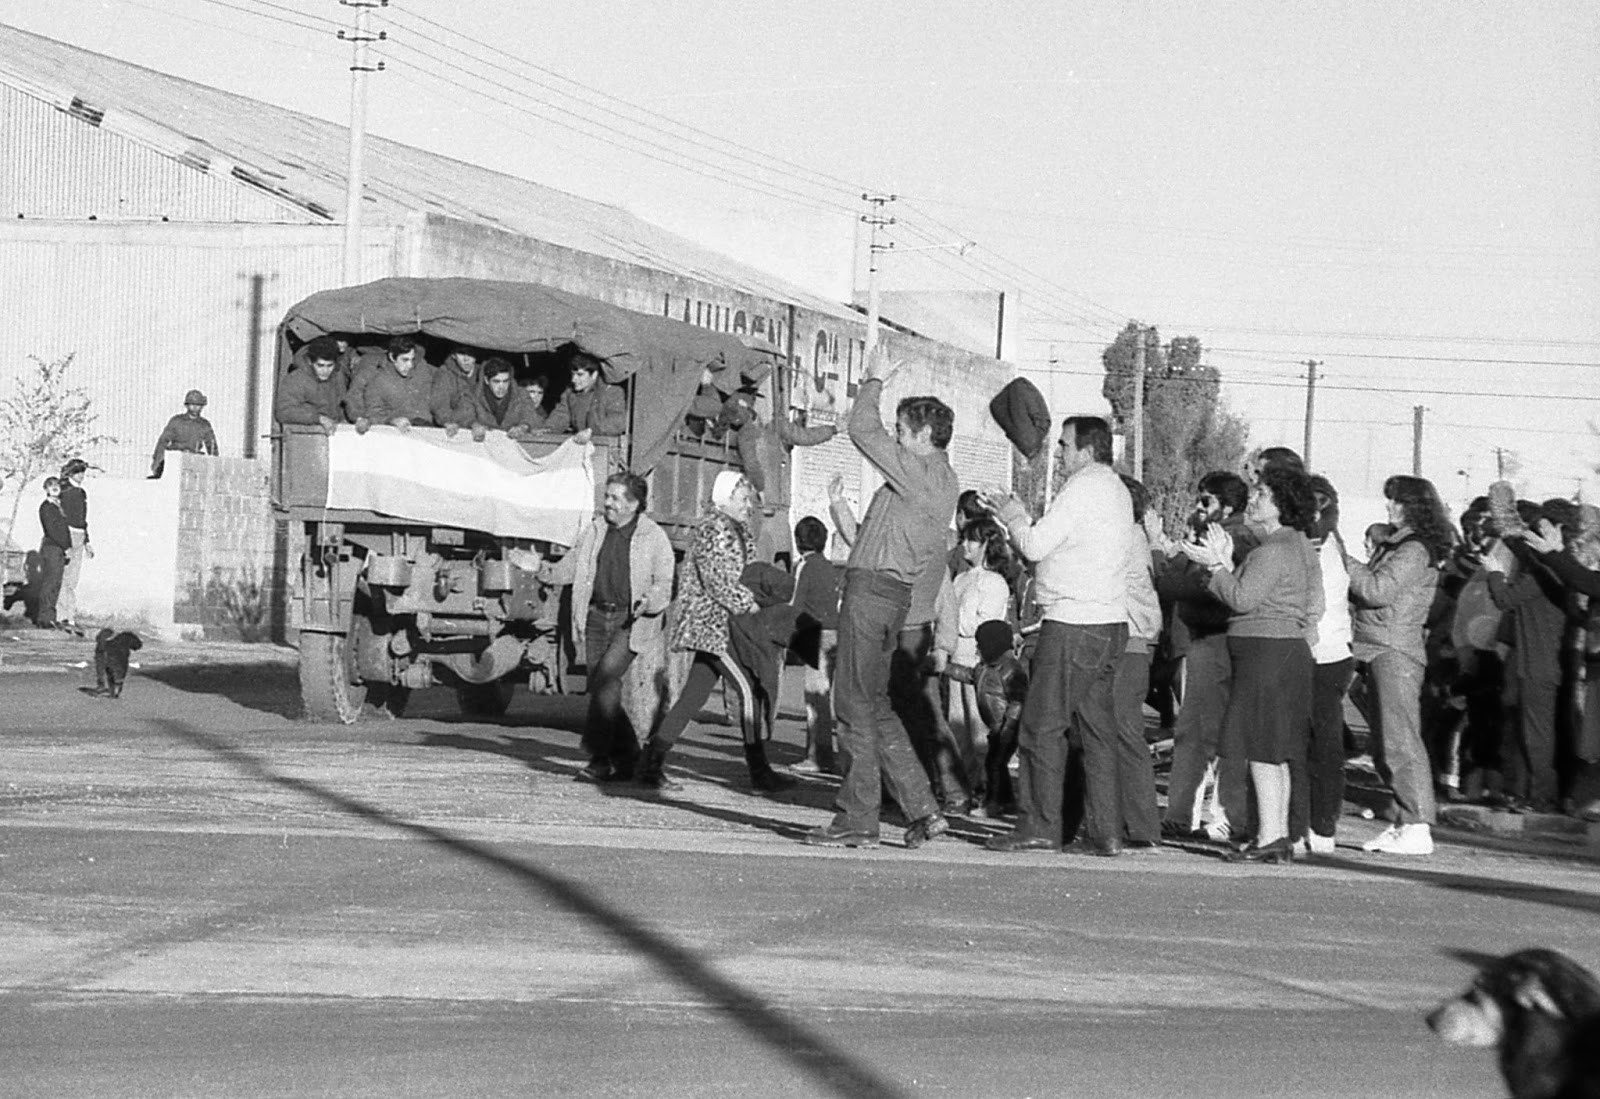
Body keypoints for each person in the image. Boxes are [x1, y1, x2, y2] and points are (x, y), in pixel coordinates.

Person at [800, 354, 956, 850]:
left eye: (904, 432)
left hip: (872, 594)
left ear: (925, 437)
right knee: (876, 707)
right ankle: (923, 809)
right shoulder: (943, 479)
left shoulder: (918, 471)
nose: (898, 440)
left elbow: (861, 429)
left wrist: (872, 381)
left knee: (850, 703)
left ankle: (857, 817)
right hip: (894, 599)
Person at [981, 415, 1132, 856]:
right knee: (1097, 731)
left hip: (1073, 622)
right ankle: (1105, 831)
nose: (1060, 454)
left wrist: (1012, 514)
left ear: (1086, 450)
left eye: (1065, 446)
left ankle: (1039, 826)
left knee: (1041, 726)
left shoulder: (1082, 488)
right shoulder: (1117, 490)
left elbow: (1033, 545)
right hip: (1109, 622)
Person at [1181, 466, 1323, 864]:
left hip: (1265, 652)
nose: (1254, 499)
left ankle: (1270, 836)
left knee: (1261, 746)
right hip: (1282, 652)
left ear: (1280, 504)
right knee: (1274, 749)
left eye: (1262, 493)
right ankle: (1275, 834)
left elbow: (1242, 598)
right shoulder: (1296, 546)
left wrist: (1214, 567)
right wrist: (1226, 560)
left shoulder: (1274, 549)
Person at [639, 472, 796, 794]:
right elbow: (717, 580)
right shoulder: (714, 529)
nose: (747, 505)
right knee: (748, 691)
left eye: (748, 500)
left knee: (692, 698)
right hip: (712, 625)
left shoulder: (738, 530)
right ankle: (759, 772)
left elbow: (748, 573)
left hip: (726, 625)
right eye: (741, 499)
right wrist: (747, 604)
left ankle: (650, 763)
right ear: (724, 499)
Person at [541, 472, 674, 783]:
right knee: (606, 689)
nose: (607, 503)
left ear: (634, 504)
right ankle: (632, 762)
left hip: (632, 621)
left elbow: (665, 583)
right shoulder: (596, 529)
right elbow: (572, 565)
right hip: (597, 617)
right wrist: (541, 569)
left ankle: (599, 758)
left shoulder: (653, 537)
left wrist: (649, 601)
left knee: (605, 678)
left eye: (615, 498)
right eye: (607, 496)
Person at [1348, 474, 1455, 854]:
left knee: (1400, 741)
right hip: (1378, 646)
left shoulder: (1414, 550)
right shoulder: (1400, 545)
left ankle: (1417, 823)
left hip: (1394, 650)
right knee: (1384, 743)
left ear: (1414, 507)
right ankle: (1404, 818)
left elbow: (1378, 590)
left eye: (1396, 501)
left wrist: (1344, 560)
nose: (1389, 508)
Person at [1155, 471, 1257, 842]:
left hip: (1221, 639)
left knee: (1217, 735)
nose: (1198, 508)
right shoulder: (1202, 538)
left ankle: (1226, 815)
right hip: (1201, 640)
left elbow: (1194, 588)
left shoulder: (1238, 539)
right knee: (1191, 733)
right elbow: (1172, 583)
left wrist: (1184, 567)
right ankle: (1181, 814)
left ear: (1227, 507)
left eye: (1206, 501)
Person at [937, 517, 1012, 806]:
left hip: (978, 661)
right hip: (955, 656)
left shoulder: (994, 583)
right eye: (964, 539)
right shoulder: (960, 578)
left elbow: (987, 624)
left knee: (980, 729)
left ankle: (989, 792)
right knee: (958, 730)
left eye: (972, 540)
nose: (965, 545)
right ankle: (964, 789)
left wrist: (954, 620)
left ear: (986, 545)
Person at [1298, 475, 1354, 854]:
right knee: (1316, 744)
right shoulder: (1326, 543)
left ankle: (1320, 824)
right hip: (1326, 651)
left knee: (1321, 745)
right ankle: (1314, 822)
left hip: (1323, 652)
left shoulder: (1321, 545)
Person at [1108, 475, 1161, 846]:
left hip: (1128, 641)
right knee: (1117, 733)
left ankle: (1142, 826)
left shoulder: (1125, 537)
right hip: (1131, 641)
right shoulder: (1133, 537)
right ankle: (1128, 821)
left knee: (1125, 733)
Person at [790, 515, 841, 774]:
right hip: (835, 632)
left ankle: (818, 756)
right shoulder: (830, 567)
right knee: (827, 695)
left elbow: (795, 602)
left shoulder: (804, 566)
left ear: (799, 542)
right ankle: (826, 753)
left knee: (813, 699)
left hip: (811, 631)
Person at [973, 619, 1028, 818]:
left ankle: (992, 803)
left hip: (1006, 727)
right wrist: (945, 669)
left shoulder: (1010, 669)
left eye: (980, 643)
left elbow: (1018, 700)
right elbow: (970, 675)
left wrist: (1008, 727)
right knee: (997, 763)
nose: (977, 648)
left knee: (994, 764)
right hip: (996, 727)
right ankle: (1008, 801)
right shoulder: (986, 667)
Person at [354, 335, 435, 433]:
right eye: (405, 360)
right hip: (401, 432)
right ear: (392, 357)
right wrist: (391, 420)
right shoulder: (378, 381)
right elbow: (373, 414)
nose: (410, 365)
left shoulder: (423, 372)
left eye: (412, 359)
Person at [545, 351, 628, 442]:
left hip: (602, 446)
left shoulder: (611, 392)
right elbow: (561, 414)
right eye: (573, 374)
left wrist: (591, 431)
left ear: (594, 375)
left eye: (580, 375)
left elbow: (617, 422)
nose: (573, 379)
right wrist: (549, 429)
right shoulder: (570, 393)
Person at [274, 336, 346, 434]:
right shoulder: (296, 379)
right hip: (304, 435)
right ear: (310, 361)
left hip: (332, 434)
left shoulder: (336, 377)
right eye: (320, 365)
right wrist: (318, 418)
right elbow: (284, 411)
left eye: (330, 365)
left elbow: (340, 405)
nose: (325, 371)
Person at [465, 358, 547, 441]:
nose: (501, 386)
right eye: (496, 381)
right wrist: (474, 425)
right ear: (486, 380)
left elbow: (530, 416)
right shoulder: (472, 394)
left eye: (505, 381)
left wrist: (523, 427)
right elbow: (464, 415)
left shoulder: (521, 394)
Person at [56, 458, 93, 632]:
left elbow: (83, 519)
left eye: (83, 472)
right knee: (64, 576)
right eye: (78, 472)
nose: (81, 475)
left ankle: (69, 617)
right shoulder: (64, 491)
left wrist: (87, 542)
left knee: (73, 579)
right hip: (67, 534)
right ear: (71, 473)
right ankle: (61, 616)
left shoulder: (81, 492)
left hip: (79, 535)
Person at [150, 389, 218, 477]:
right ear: (187, 405)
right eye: (192, 404)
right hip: (175, 459)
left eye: (198, 405)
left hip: (193, 460)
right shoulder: (177, 421)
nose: (195, 407)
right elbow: (163, 441)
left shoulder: (204, 424)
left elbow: (212, 447)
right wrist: (157, 463)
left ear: (202, 407)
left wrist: (214, 466)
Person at [35, 476, 72, 630]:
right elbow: (53, 531)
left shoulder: (58, 506)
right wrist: (66, 547)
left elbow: (64, 530)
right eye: (51, 486)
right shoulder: (47, 507)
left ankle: (50, 617)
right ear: (46, 489)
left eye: (57, 485)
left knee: (56, 583)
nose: (55, 488)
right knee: (50, 583)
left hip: (58, 549)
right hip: (52, 548)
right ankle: (45, 619)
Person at [431, 345, 483, 435]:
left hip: (481, 427)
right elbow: (439, 403)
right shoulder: (445, 373)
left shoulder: (483, 373)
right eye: (461, 353)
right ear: (453, 355)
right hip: (457, 427)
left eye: (470, 353)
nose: (466, 359)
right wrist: (446, 421)